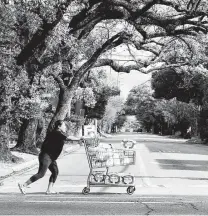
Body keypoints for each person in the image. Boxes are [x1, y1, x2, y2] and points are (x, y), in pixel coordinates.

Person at [18, 120, 82, 195]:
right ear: (59, 126)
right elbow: (69, 138)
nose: (65, 127)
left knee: (55, 172)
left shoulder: (58, 133)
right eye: (64, 125)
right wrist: (80, 138)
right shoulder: (56, 133)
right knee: (41, 174)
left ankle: (49, 189)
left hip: (51, 157)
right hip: (46, 156)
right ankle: (23, 185)